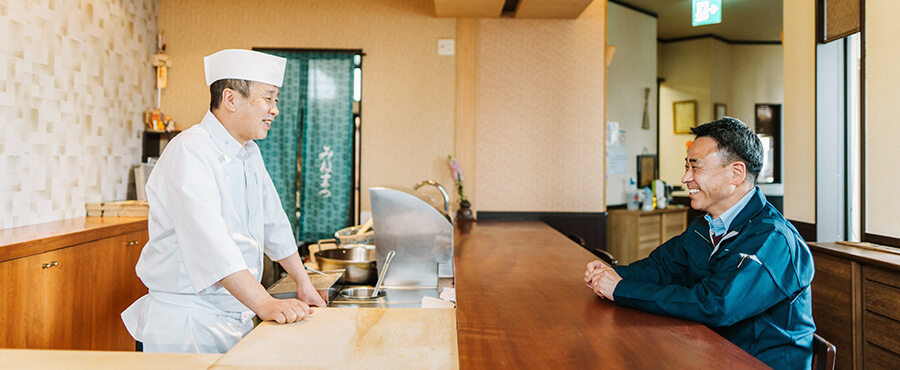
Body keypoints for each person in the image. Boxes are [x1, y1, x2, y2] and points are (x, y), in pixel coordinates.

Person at [122, 49, 326, 353]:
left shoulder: (249, 153)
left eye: (276, 100)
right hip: (187, 326)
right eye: (268, 99)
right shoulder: (189, 151)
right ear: (230, 99)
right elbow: (211, 244)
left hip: (234, 315)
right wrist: (265, 303)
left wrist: (302, 280)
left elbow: (274, 222)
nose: (275, 110)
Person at [584, 117, 815, 369]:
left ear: (735, 173)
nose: (685, 178)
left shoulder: (772, 239)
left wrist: (620, 289)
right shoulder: (706, 225)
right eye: (686, 167)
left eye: (695, 168)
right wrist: (611, 274)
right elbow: (661, 268)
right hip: (710, 352)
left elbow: (716, 304)